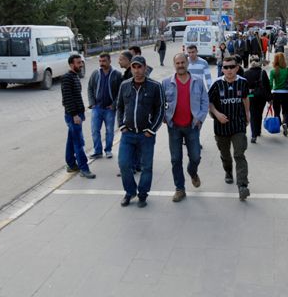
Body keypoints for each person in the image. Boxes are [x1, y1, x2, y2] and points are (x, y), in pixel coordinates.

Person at [117, 55, 164, 207]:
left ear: (145, 67)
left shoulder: (155, 86)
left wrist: (152, 129)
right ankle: (130, 192)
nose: (137, 71)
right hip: (128, 133)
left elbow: (160, 109)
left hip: (146, 135)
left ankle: (143, 194)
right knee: (124, 164)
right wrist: (121, 125)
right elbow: (119, 107)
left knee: (146, 167)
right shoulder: (124, 85)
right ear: (131, 68)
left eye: (139, 67)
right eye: (134, 67)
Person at [162, 53, 209, 202]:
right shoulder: (166, 83)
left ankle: (192, 172)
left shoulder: (198, 82)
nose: (180, 65)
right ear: (174, 64)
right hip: (174, 127)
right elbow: (160, 102)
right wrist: (164, 116)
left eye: (183, 62)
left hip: (192, 126)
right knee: (176, 159)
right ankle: (180, 189)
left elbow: (205, 102)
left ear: (187, 63)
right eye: (178, 63)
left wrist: (200, 119)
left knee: (195, 157)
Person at [208, 55, 251, 201]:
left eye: (232, 67)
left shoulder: (243, 83)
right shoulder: (216, 84)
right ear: (222, 69)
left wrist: (247, 114)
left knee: (239, 154)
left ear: (237, 68)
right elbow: (209, 102)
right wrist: (217, 114)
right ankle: (228, 171)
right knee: (225, 155)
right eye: (225, 67)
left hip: (238, 125)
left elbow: (245, 98)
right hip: (221, 127)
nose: (229, 70)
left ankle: (243, 185)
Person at [61, 54, 95, 179]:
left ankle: (71, 164)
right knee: (79, 142)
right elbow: (67, 98)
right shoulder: (67, 78)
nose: (81, 65)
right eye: (78, 63)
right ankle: (84, 169)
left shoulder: (74, 76)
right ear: (71, 64)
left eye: (81, 62)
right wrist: (75, 115)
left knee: (72, 140)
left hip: (77, 114)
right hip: (73, 115)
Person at [87, 52, 122, 159]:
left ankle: (108, 150)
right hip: (97, 108)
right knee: (94, 130)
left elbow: (120, 92)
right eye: (100, 61)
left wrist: (114, 105)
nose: (101, 63)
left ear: (109, 61)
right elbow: (90, 88)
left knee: (109, 130)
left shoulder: (117, 74)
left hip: (109, 109)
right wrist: (92, 103)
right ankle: (97, 151)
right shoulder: (95, 73)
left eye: (104, 61)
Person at [244, 56, 271, 143]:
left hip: (251, 96)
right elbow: (267, 86)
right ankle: (258, 131)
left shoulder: (246, 73)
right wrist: (270, 98)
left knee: (253, 114)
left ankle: (253, 135)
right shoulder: (263, 72)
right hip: (261, 96)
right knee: (259, 113)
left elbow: (244, 86)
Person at [269, 52, 288, 137]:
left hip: (276, 93)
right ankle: (285, 124)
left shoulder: (273, 71)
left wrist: (268, 94)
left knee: (277, 111)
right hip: (286, 93)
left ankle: (279, 124)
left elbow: (270, 84)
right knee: (285, 110)